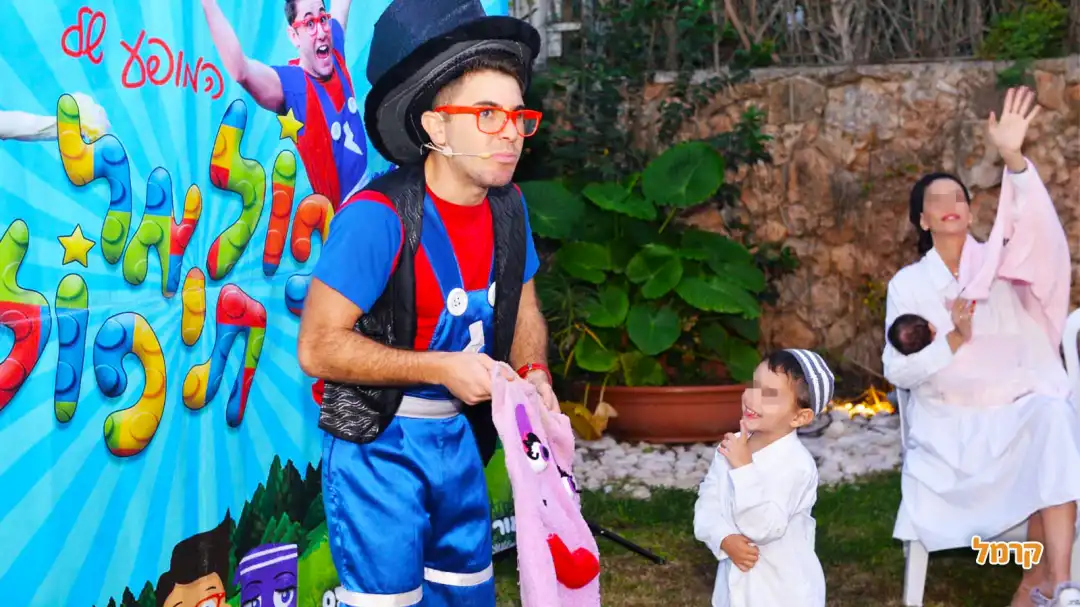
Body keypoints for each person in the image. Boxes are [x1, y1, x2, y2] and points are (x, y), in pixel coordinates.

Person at [295, 1, 556, 605]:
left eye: (518, 116)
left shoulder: (510, 208)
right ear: (436, 128)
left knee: (465, 591)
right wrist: (438, 368)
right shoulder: (376, 218)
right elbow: (317, 348)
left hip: (460, 442)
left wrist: (534, 371)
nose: (510, 133)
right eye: (487, 114)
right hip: (378, 448)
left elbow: (524, 309)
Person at [884, 86, 1080, 607]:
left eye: (959, 198)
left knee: (1052, 416)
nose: (951, 206)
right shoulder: (909, 286)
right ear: (923, 220)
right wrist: (954, 338)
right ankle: (1035, 582)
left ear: (971, 214)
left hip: (1011, 420)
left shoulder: (1003, 267)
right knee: (1048, 429)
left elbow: (1043, 236)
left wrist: (1014, 159)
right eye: (937, 201)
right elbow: (898, 372)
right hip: (950, 436)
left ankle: (1060, 584)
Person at [693, 349, 831, 607]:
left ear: (799, 417)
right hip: (735, 590)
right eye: (754, 385)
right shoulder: (733, 445)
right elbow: (708, 500)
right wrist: (723, 538)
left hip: (782, 593)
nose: (752, 398)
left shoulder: (796, 466)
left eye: (769, 395)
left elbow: (764, 528)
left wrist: (743, 468)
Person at [200, 0, 367, 209]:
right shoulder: (294, 86)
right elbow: (241, 70)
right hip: (348, 213)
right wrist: (208, 3)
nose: (321, 31)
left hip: (372, 189)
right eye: (309, 23)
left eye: (323, 19)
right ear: (294, 36)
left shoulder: (335, 50)